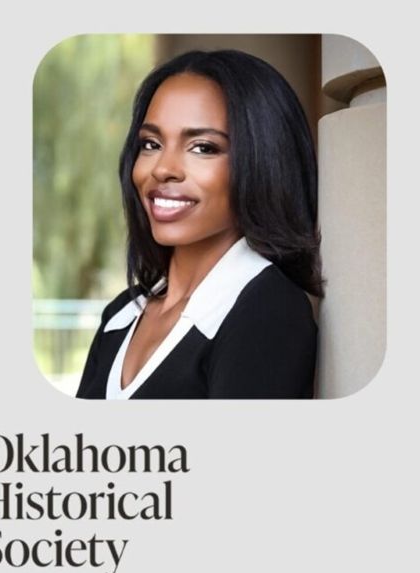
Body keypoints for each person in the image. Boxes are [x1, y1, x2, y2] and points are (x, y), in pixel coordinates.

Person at [77, 49, 322, 399]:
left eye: (203, 147)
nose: (163, 168)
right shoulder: (122, 313)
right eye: (151, 143)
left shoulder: (268, 310)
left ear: (264, 162)